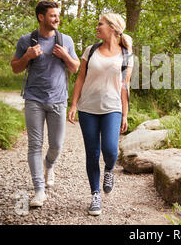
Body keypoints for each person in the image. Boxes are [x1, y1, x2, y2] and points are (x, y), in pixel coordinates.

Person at [11, 1, 80, 207]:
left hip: (58, 100)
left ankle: (49, 165)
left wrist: (65, 55)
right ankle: (39, 190)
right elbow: (15, 68)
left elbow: (75, 68)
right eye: (53, 15)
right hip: (34, 99)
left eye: (58, 15)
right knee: (34, 145)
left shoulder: (65, 40)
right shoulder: (27, 40)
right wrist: (27, 56)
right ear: (41, 17)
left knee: (56, 145)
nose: (57, 19)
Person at [67, 13, 133, 216]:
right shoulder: (91, 50)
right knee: (93, 152)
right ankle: (95, 195)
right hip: (88, 109)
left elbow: (125, 86)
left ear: (113, 28)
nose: (97, 27)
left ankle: (109, 171)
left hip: (113, 108)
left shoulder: (126, 55)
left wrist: (124, 114)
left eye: (100, 24)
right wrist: (74, 104)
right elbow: (80, 78)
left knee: (111, 150)